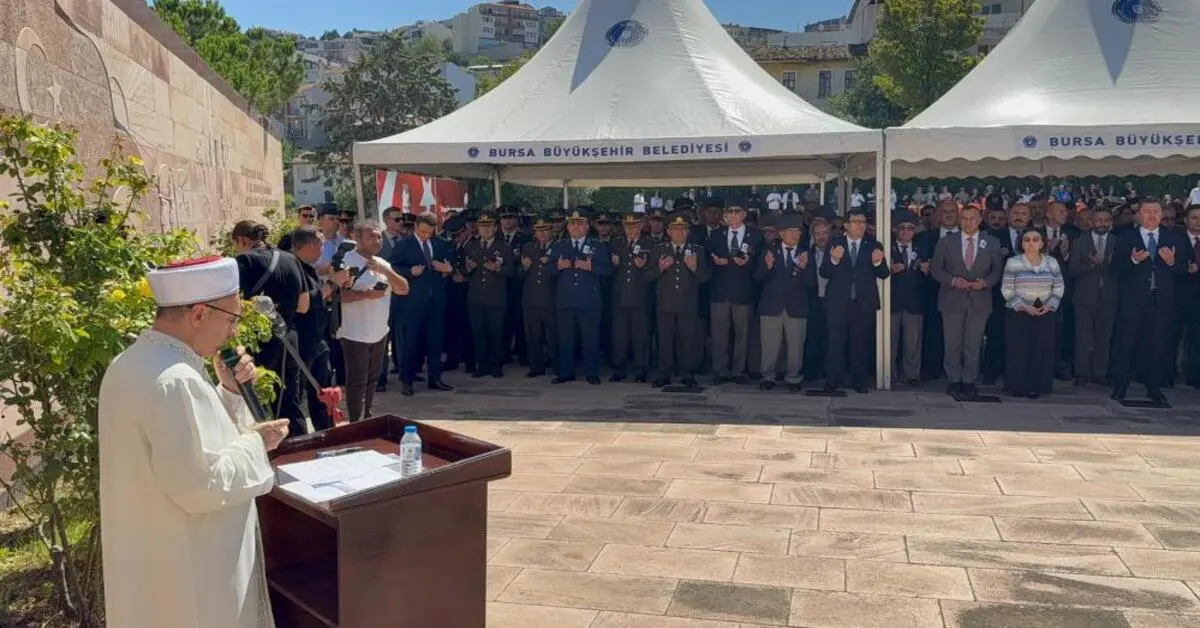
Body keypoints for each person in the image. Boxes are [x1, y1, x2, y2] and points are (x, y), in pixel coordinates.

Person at [99, 256, 290, 628]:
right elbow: (201, 485)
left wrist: (230, 392)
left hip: (153, 557)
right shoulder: (176, 380)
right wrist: (257, 443)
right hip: (193, 571)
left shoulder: (131, 362)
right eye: (232, 319)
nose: (233, 333)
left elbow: (197, 441)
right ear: (199, 314)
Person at [231, 219, 309, 436]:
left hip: (260, 339)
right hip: (289, 335)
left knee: (259, 400)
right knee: (289, 398)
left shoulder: (244, 261)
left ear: (242, 240)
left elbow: (236, 305)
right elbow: (304, 306)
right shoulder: (291, 259)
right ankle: (299, 444)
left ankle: (270, 446)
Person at [1110, 198, 1184, 403]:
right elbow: (1115, 267)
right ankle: (1120, 385)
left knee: (1156, 344)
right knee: (1125, 343)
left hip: (1160, 299)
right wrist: (1133, 260)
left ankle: (1153, 387)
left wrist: (1172, 263)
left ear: (1162, 215)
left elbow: (1183, 269)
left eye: (1156, 212)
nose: (1151, 216)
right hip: (1132, 300)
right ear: (1138, 215)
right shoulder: (1126, 237)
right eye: (1147, 212)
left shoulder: (1173, 237)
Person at [338, 221, 410, 421]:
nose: (377, 241)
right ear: (357, 238)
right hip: (355, 332)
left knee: (373, 379)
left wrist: (385, 271)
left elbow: (404, 289)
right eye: (371, 237)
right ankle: (355, 421)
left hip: (379, 331)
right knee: (357, 381)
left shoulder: (382, 263)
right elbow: (341, 295)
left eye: (379, 237)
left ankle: (367, 415)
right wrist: (367, 295)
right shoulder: (348, 261)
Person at [931, 204, 1005, 397]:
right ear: (959, 220)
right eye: (964, 218)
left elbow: (997, 271)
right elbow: (936, 269)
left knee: (973, 342)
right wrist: (953, 280)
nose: (968, 222)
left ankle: (969, 379)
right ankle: (954, 379)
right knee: (952, 342)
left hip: (980, 300)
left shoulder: (992, 243)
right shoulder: (946, 242)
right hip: (951, 298)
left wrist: (985, 283)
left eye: (972, 218)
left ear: (980, 220)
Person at [820, 209, 891, 393]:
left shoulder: (873, 244)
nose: (860, 225)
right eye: (855, 221)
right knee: (835, 342)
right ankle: (833, 380)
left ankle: (859, 380)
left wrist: (877, 262)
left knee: (860, 343)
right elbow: (824, 272)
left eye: (863, 222)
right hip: (838, 302)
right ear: (846, 225)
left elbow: (884, 273)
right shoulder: (835, 243)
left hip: (863, 302)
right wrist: (834, 260)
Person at [390, 213, 456, 396]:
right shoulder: (404, 244)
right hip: (412, 302)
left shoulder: (440, 244)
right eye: (423, 231)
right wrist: (409, 271)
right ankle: (407, 381)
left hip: (435, 302)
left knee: (435, 342)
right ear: (416, 226)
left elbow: (451, 263)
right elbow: (392, 267)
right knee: (410, 342)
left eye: (429, 232)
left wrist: (449, 269)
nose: (426, 235)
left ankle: (435, 378)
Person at [289, 226, 347, 431]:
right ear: (310, 245)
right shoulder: (293, 267)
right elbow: (303, 304)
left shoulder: (309, 267)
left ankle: (327, 432)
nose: (323, 250)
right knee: (299, 394)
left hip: (318, 339)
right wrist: (332, 284)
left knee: (324, 392)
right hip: (302, 342)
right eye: (321, 245)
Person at [548, 209, 614, 384]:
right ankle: (565, 372)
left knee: (590, 339)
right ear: (567, 227)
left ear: (587, 226)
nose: (575, 227)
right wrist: (557, 266)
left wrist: (591, 267)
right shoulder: (559, 246)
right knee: (565, 339)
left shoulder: (598, 246)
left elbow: (608, 270)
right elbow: (548, 270)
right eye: (572, 223)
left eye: (579, 223)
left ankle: (592, 372)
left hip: (589, 300)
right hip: (565, 300)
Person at [648, 212, 711, 387]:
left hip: (687, 303)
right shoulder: (659, 249)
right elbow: (647, 276)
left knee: (687, 340)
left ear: (688, 232)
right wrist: (660, 268)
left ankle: (687, 373)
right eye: (675, 229)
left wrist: (694, 268)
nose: (679, 232)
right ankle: (664, 373)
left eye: (683, 229)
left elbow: (704, 278)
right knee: (665, 339)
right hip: (665, 302)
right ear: (668, 231)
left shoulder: (697, 250)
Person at [1002, 228, 1065, 398]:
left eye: (1035, 239)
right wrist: (1024, 306)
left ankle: (1038, 386)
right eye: (1027, 239)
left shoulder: (1052, 262)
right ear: (1021, 243)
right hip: (1018, 313)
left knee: (1042, 350)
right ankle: (1017, 386)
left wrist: (1050, 305)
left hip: (1045, 312)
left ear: (1042, 243)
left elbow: (1059, 286)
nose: (1031, 243)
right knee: (1018, 350)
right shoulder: (1013, 262)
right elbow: (1007, 288)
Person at [755, 212, 814, 391]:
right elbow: (758, 278)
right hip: (772, 305)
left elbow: (812, 283)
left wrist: (803, 269)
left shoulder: (805, 253)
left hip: (796, 306)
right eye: (791, 231)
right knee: (770, 345)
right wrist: (767, 267)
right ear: (781, 233)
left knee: (796, 346)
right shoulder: (770, 251)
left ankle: (793, 377)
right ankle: (768, 376)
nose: (795, 234)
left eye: (798, 231)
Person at [707, 199, 764, 385]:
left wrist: (749, 262)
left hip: (743, 291)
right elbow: (707, 260)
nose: (733, 215)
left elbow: (761, 263)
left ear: (744, 214)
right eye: (729, 211)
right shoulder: (716, 235)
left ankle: (739, 370)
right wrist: (715, 262)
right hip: (720, 291)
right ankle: (720, 370)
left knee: (743, 335)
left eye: (737, 211)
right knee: (719, 335)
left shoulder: (755, 235)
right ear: (725, 214)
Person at [1069, 207, 1118, 387]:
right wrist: (1090, 264)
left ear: (1111, 222)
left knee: (1104, 337)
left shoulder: (1117, 241)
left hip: (1109, 296)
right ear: (1091, 222)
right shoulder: (1079, 242)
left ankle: (1100, 372)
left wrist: (1113, 263)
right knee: (1082, 337)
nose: (1102, 224)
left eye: (1106, 220)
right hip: (1084, 296)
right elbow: (1072, 269)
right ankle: (1081, 373)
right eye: (1099, 220)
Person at [462, 211, 515, 378]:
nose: (486, 230)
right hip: (476, 297)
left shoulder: (504, 247)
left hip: (496, 297)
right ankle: (482, 365)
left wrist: (498, 269)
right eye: (482, 226)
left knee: (496, 333)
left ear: (495, 227)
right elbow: (462, 270)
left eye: (489, 226)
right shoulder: (471, 246)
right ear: (478, 228)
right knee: (479, 333)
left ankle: (495, 365)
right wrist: (468, 268)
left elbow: (512, 270)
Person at [915, 200, 960, 381]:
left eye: (952, 211)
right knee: (933, 331)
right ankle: (932, 368)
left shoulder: (969, 237)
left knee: (959, 334)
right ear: (937, 215)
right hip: (932, 292)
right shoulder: (923, 238)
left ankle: (957, 370)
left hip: (961, 293)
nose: (948, 215)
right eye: (944, 211)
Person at [610, 212, 654, 382]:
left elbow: (654, 270)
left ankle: (640, 369)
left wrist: (645, 266)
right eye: (627, 226)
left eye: (634, 226)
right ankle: (619, 368)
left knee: (640, 336)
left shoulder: (649, 243)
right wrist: (613, 264)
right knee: (619, 336)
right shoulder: (617, 243)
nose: (631, 229)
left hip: (641, 296)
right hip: (620, 296)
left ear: (641, 226)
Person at [889, 210, 927, 386]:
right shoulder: (887, 248)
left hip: (914, 303)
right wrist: (890, 270)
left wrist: (927, 271)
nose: (906, 232)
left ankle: (912, 375)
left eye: (910, 228)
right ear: (894, 229)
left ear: (915, 230)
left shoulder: (922, 249)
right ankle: (889, 374)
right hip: (892, 302)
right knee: (890, 342)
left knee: (913, 343)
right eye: (902, 228)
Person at [519, 215, 558, 378]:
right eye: (538, 230)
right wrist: (525, 268)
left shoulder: (558, 247)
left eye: (545, 230)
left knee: (554, 336)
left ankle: (557, 366)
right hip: (531, 299)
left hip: (551, 299)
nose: (542, 234)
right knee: (533, 336)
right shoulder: (528, 247)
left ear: (551, 231)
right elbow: (519, 274)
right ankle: (536, 366)